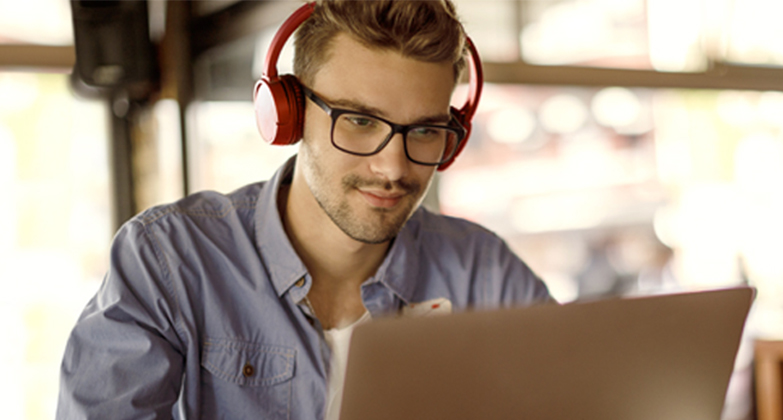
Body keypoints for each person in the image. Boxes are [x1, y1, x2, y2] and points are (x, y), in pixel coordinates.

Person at [56, 1, 553, 419]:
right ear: (290, 115)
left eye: (424, 131)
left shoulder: (485, 274)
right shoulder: (169, 261)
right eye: (360, 121)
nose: (392, 167)